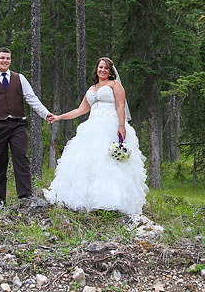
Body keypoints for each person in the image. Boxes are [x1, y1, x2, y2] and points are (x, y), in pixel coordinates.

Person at [43, 57, 148, 215]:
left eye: (106, 68)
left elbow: (120, 105)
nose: (103, 70)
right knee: (87, 162)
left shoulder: (114, 85)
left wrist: (121, 125)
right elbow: (80, 110)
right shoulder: (92, 89)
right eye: (100, 67)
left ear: (111, 71)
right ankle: (86, 198)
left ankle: (112, 201)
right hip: (92, 127)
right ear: (96, 69)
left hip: (111, 125)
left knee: (109, 164)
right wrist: (59, 117)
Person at [0, 47, 51, 209]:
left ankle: (25, 196)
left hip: (18, 124)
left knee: (21, 159)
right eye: (2, 58)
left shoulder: (19, 78)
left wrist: (46, 114)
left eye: (8, 58)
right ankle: (0, 200)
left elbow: (32, 98)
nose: (5, 61)